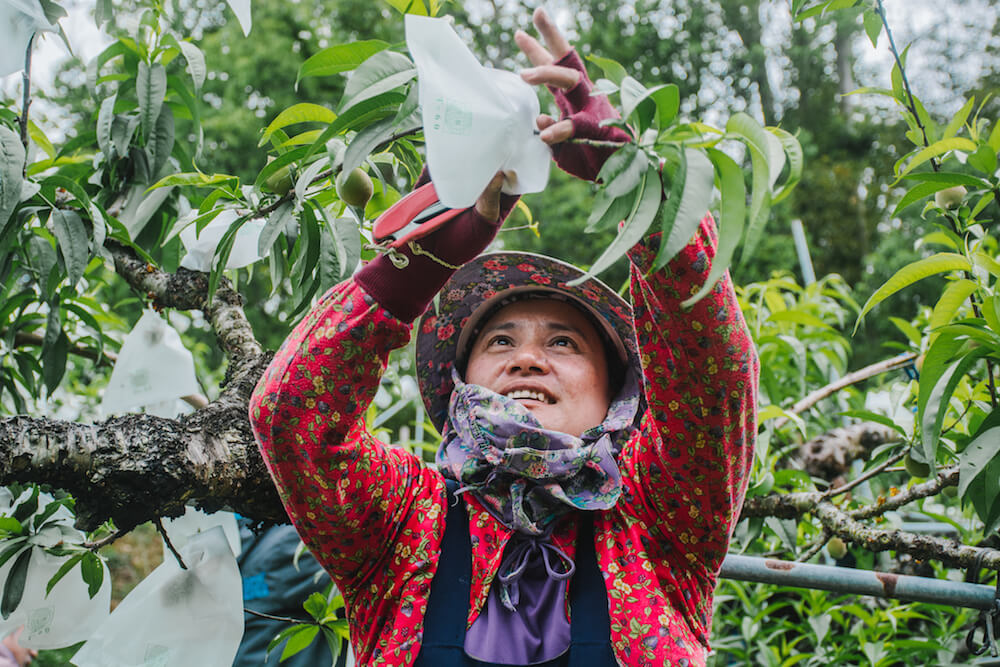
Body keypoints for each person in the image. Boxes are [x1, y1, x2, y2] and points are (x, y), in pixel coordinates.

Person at [249, 9, 756, 667]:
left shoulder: (657, 514)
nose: (526, 357)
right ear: (461, 382)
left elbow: (712, 372)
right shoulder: (405, 523)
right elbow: (291, 418)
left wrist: (642, 181)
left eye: (565, 343)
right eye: (499, 341)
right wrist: (416, 264)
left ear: (616, 394)